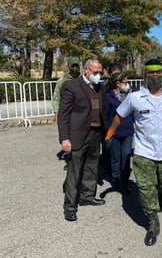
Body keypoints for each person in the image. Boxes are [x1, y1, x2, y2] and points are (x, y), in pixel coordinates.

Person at [105, 59, 162, 246]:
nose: (155, 76)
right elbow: (119, 115)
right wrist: (110, 133)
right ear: (145, 75)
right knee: (145, 187)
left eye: (158, 73)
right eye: (151, 73)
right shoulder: (135, 97)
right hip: (144, 150)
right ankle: (152, 221)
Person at [58, 58, 106, 222]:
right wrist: (65, 138)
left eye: (100, 72)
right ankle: (70, 206)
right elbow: (63, 115)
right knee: (74, 171)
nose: (98, 75)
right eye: (95, 72)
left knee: (92, 167)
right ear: (86, 70)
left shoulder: (100, 87)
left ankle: (88, 196)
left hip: (96, 133)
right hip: (78, 135)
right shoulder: (71, 86)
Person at [105, 72, 134, 194]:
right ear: (118, 83)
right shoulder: (108, 97)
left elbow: (133, 112)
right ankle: (115, 179)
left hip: (127, 131)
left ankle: (124, 181)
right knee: (115, 157)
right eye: (125, 82)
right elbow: (106, 114)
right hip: (115, 132)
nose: (127, 85)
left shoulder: (129, 96)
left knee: (126, 156)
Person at [97, 62, 124, 185]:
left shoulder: (125, 84)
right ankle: (108, 172)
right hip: (107, 122)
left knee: (119, 152)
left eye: (119, 74)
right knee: (107, 149)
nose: (116, 77)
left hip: (121, 124)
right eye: (114, 74)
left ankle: (118, 173)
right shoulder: (104, 85)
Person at [52, 56, 81, 123]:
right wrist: (57, 116)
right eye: (73, 65)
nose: (75, 67)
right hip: (68, 114)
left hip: (82, 113)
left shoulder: (84, 79)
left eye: (76, 65)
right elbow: (56, 99)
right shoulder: (62, 81)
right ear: (68, 66)